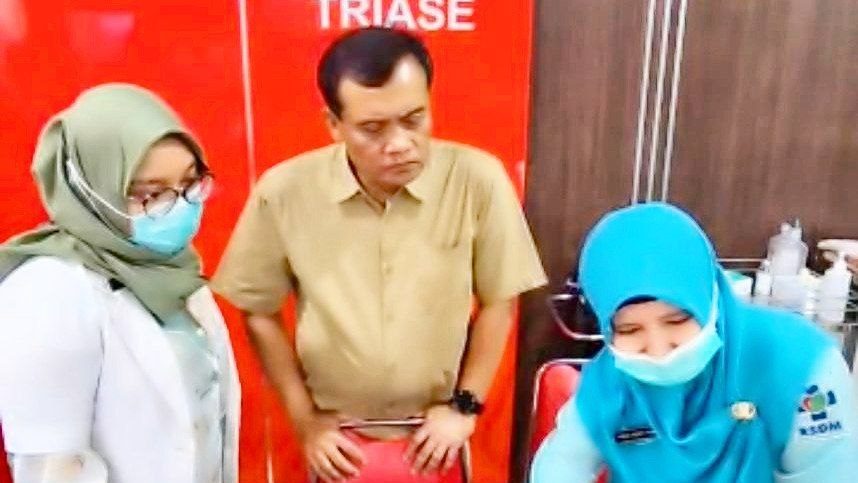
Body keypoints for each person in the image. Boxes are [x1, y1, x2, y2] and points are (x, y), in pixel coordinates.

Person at [212, 27, 546, 481]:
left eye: (414, 119)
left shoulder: (478, 180)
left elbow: (500, 301)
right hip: (339, 440)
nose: (399, 144)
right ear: (334, 124)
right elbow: (257, 310)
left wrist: (465, 406)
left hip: (437, 434)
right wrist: (304, 419)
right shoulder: (284, 192)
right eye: (372, 129)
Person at [0, 84, 240, 483]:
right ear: (91, 191)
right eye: (150, 194)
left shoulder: (172, 270)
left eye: (190, 183)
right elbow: (52, 468)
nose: (178, 207)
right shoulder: (48, 293)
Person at [531, 203, 858, 483]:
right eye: (630, 331)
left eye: (677, 321)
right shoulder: (611, 381)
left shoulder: (800, 365)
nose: (658, 349)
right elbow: (562, 465)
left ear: (710, 300)